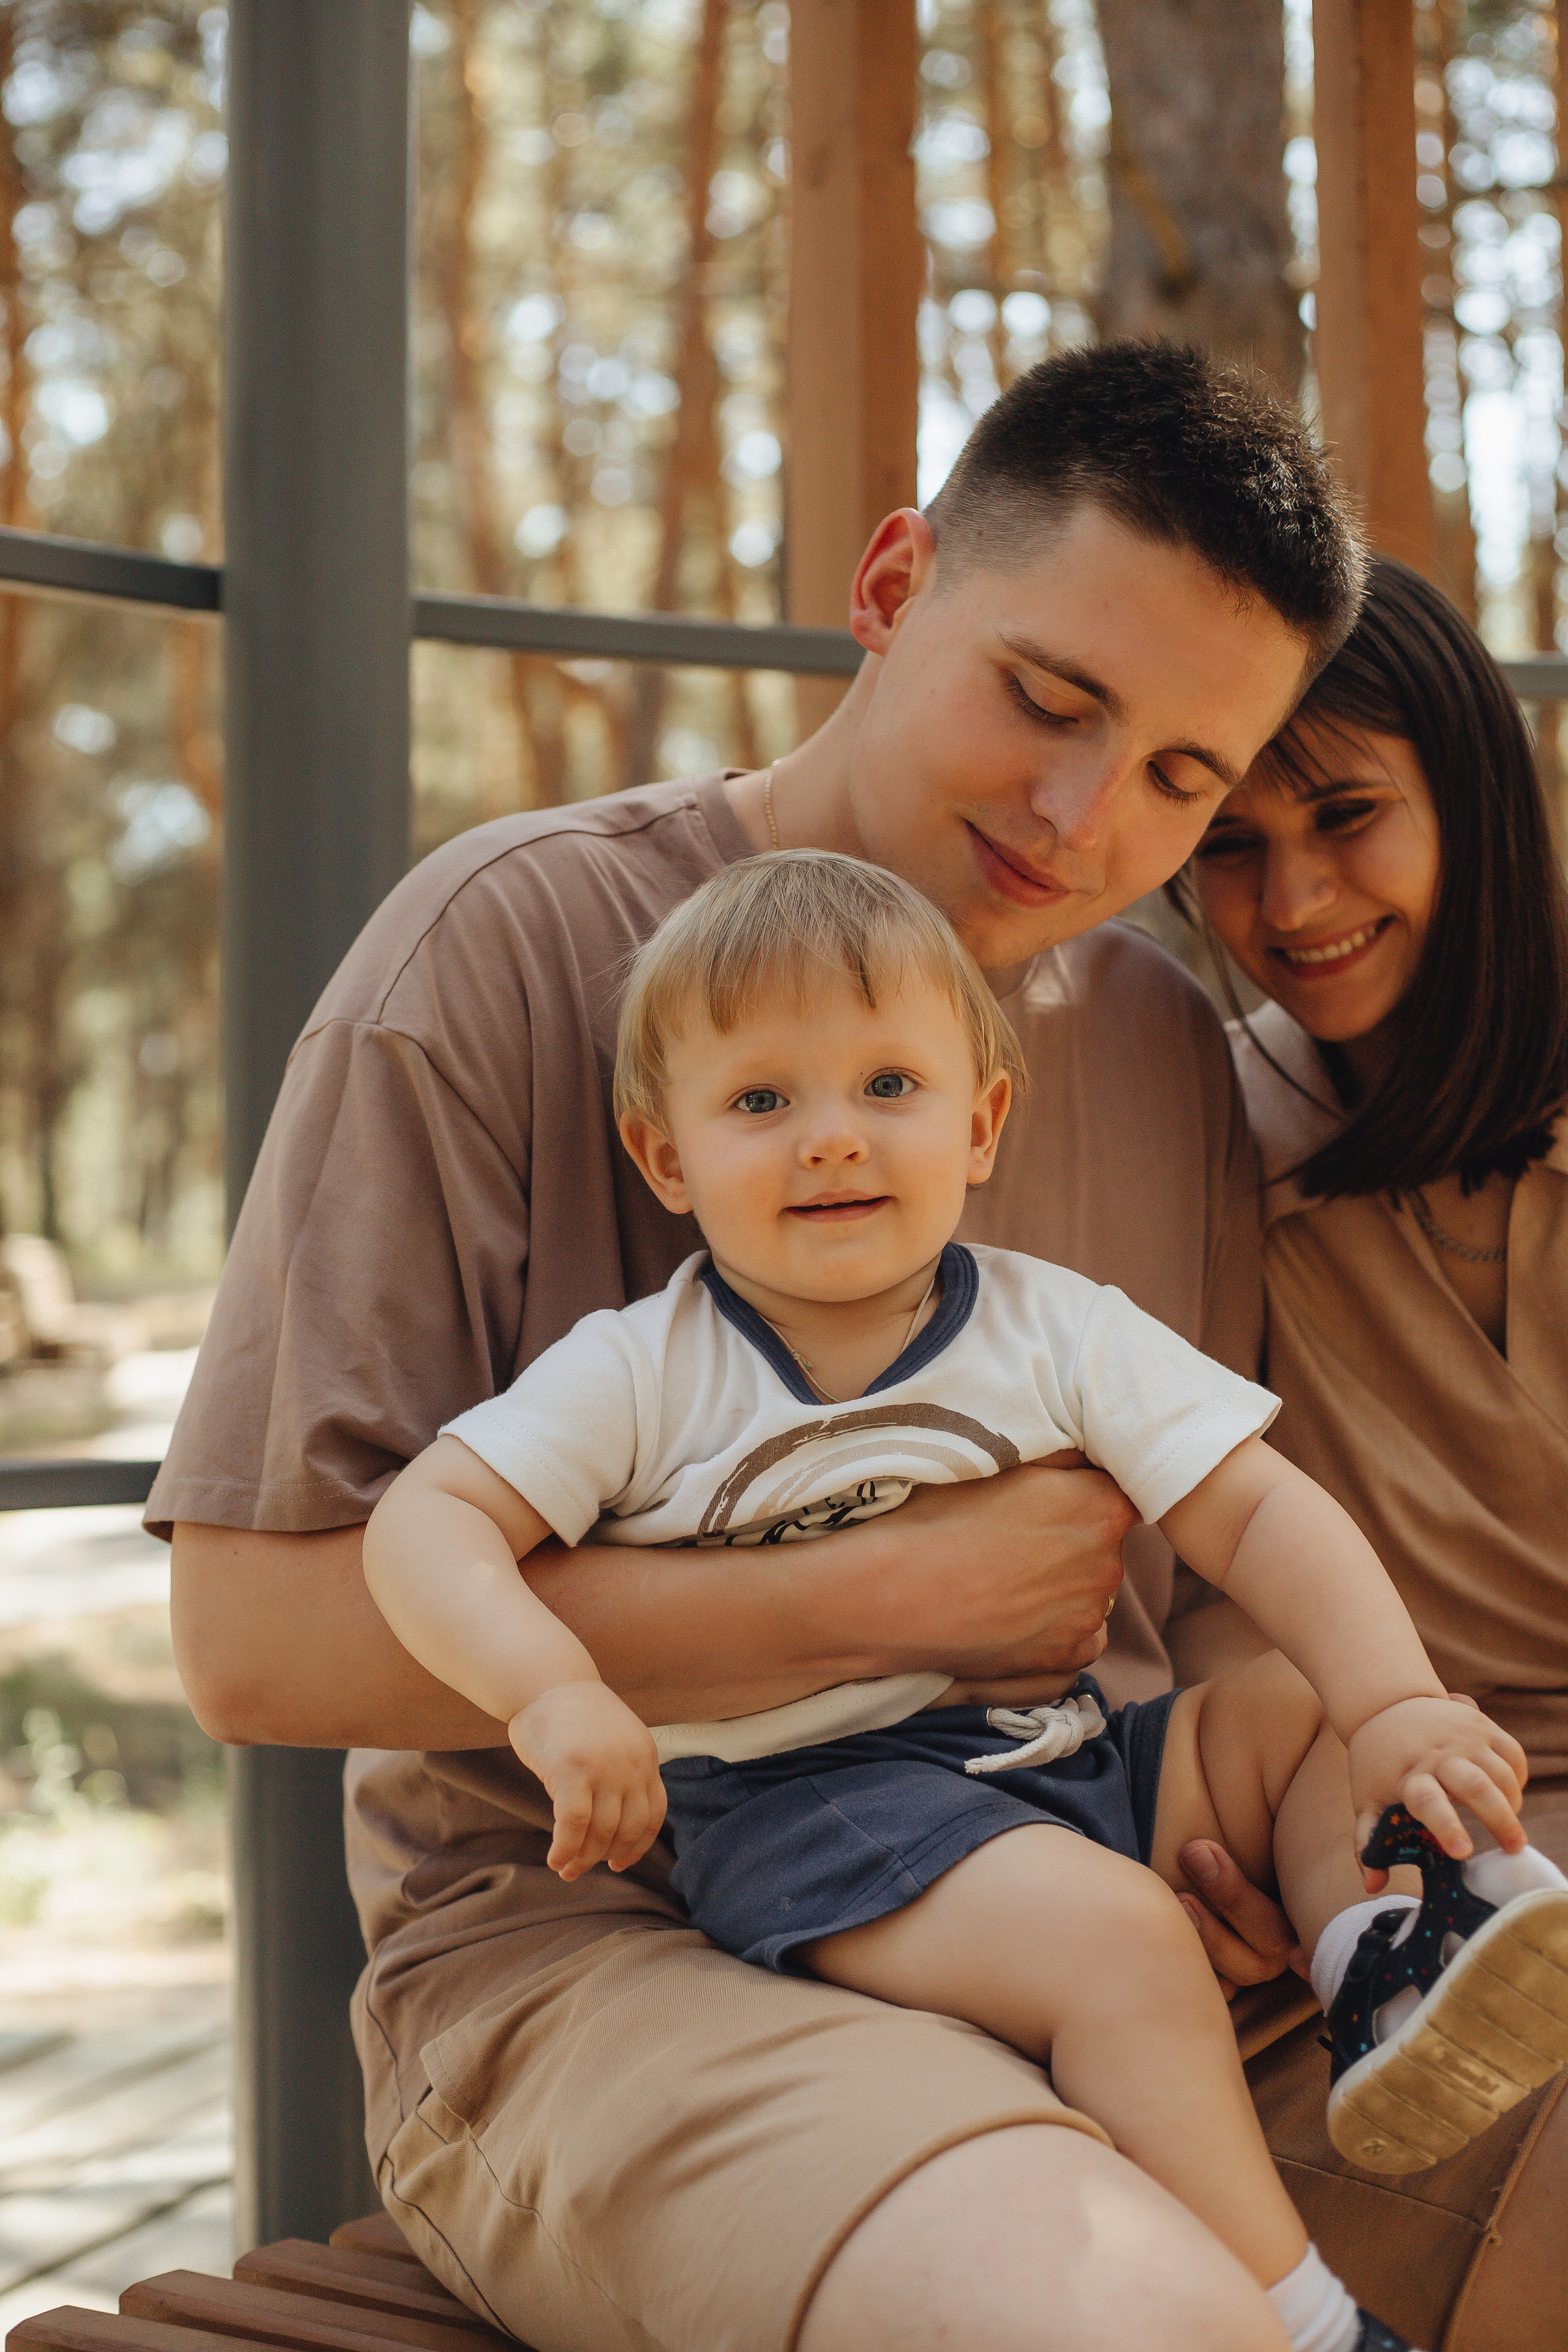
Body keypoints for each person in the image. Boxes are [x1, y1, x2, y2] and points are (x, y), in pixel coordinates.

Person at [155, 342, 1446, 2352]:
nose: (1084, 814)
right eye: (1049, 699)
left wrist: (1235, 1826)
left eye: (1183, 778)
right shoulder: (499, 952)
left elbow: (1193, 1597)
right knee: (1135, 2325)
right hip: (609, 1955)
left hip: (1080, 1875)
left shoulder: (1151, 1040)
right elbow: (249, 1644)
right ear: (892, 585)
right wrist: (875, 1596)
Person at [360, 849, 1568, 2352]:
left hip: (1063, 1754)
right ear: (666, 1159)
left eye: (888, 1086)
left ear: (978, 1123)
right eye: (760, 1102)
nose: (831, 1139)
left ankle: (1380, 1961)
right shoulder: (642, 1369)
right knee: (1120, 1943)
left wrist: (1388, 1704)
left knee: (1293, 1708)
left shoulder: (1052, 1325)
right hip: (813, 1816)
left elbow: (1256, 1508)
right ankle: (1310, 2321)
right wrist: (548, 1687)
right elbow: (427, 1523)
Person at [1188, 560, 1568, 1859]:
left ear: (1472, 798)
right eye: (1229, 843)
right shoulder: (1207, 1138)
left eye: (1346, 815)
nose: (1291, 904)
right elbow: (1193, 1586)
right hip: (1398, 1826)